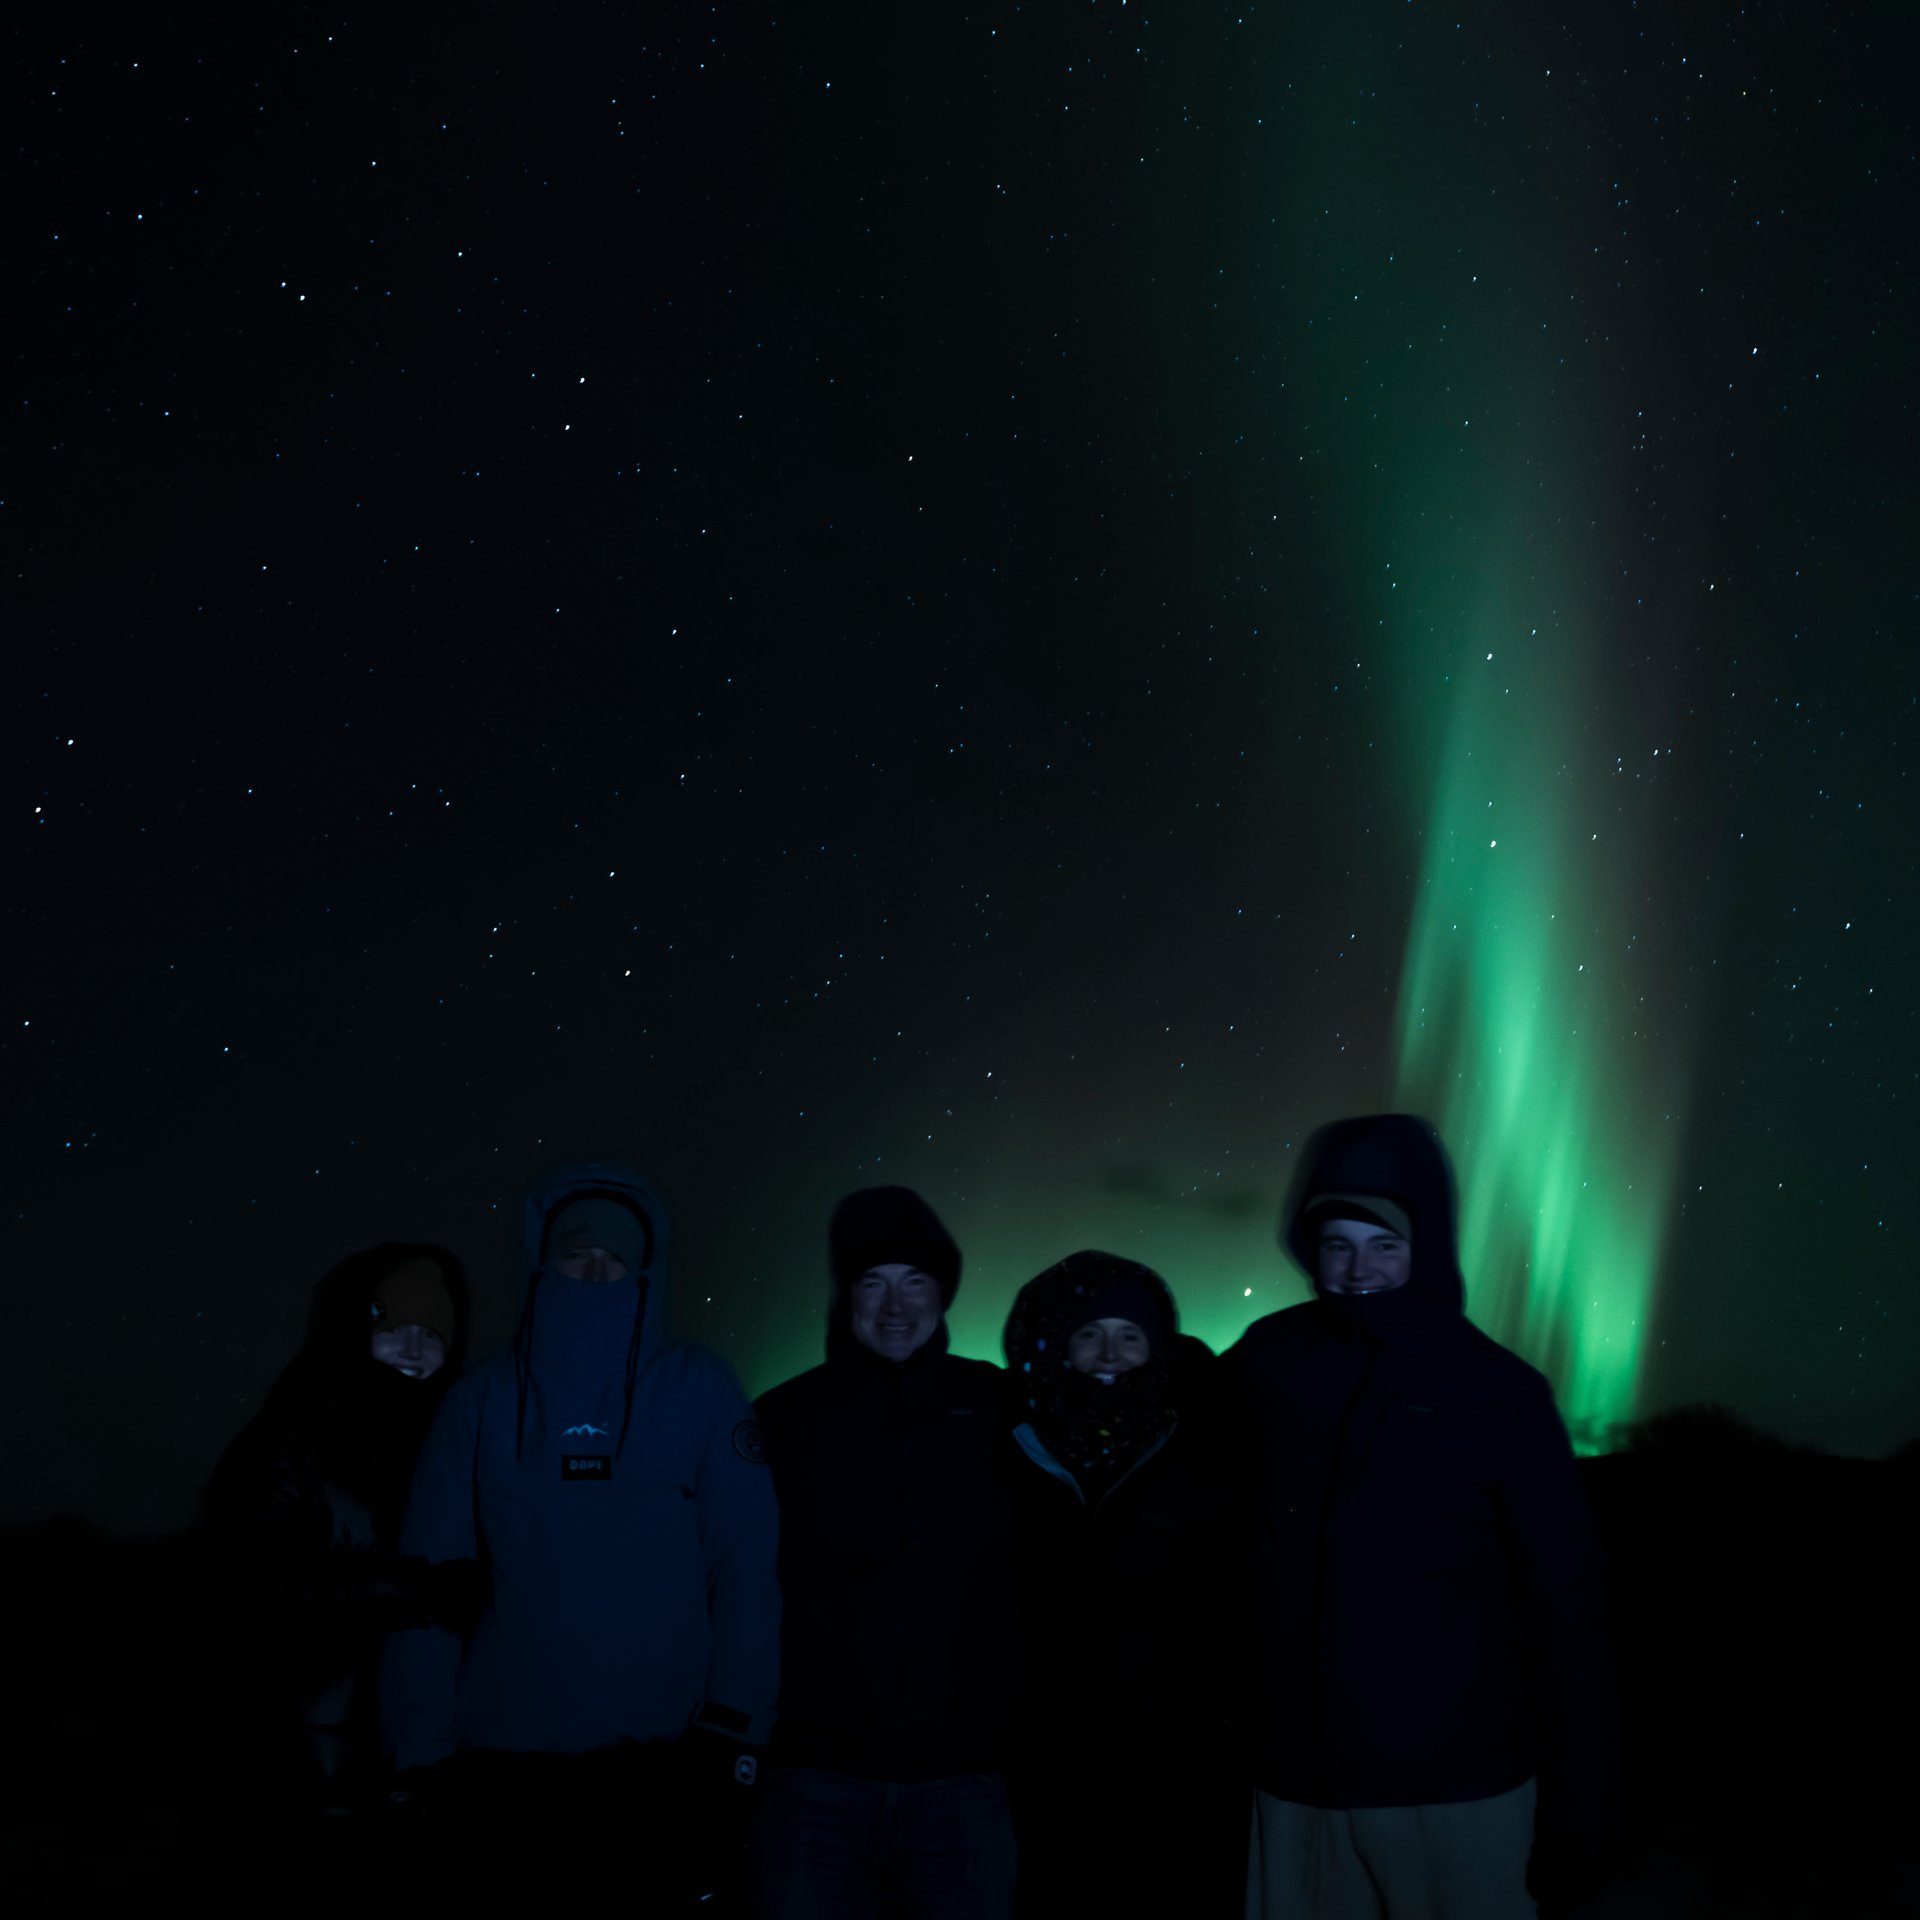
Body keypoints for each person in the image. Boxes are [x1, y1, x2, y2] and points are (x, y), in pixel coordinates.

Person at [1226, 1114, 1620, 1920]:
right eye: (1336, 1243)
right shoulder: (1267, 1363)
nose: (1357, 1269)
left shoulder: (1498, 1391)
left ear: (1425, 1244)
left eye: (1383, 1243)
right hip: (1296, 1785)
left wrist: (1583, 1800)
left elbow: (1568, 1609)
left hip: (1455, 1789)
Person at [379, 1160, 779, 1904]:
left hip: (665, 1763)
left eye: (616, 1258)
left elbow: (747, 1570)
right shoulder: (482, 1399)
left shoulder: (701, 1387)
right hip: (503, 1763)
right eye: (577, 1253)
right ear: (544, 1260)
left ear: (643, 1269)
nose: (596, 1273)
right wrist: (418, 1750)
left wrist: (735, 1730)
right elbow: (426, 1586)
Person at [751, 1186, 1021, 1920]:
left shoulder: (1000, 1408)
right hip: (814, 1778)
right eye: (873, 1282)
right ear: (846, 1294)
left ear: (944, 1293)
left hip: (964, 1777)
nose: (895, 1306)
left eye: (916, 1282)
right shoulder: (784, 1418)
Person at [204, 1243, 474, 1867]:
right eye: (393, 1329)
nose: (413, 1350)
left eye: (432, 1333)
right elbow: (244, 1576)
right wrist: (414, 1592)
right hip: (306, 1760)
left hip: (421, 1756)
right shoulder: (292, 1432)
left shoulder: (454, 1441)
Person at [1000, 1250, 1245, 1918]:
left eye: (1129, 1336)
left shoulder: (1199, 1452)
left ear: (1156, 1347)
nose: (1109, 1353)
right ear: (1060, 1345)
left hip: (1169, 1760)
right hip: (1039, 1755)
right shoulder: (1011, 1448)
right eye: (1089, 1334)